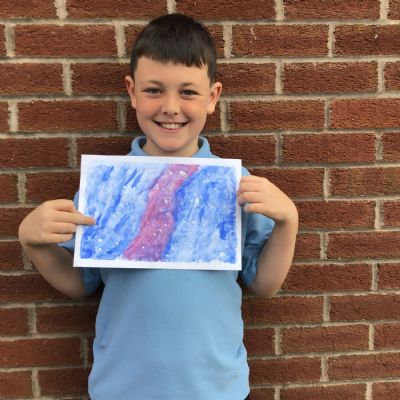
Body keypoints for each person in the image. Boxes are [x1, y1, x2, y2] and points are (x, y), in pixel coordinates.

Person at [18, 13, 298, 400]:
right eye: (154, 90)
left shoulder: (237, 184)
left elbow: (264, 284)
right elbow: (79, 283)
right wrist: (33, 242)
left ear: (212, 97)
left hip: (215, 390)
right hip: (122, 389)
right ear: (131, 92)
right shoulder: (106, 185)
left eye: (188, 92)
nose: (170, 106)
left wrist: (288, 223)